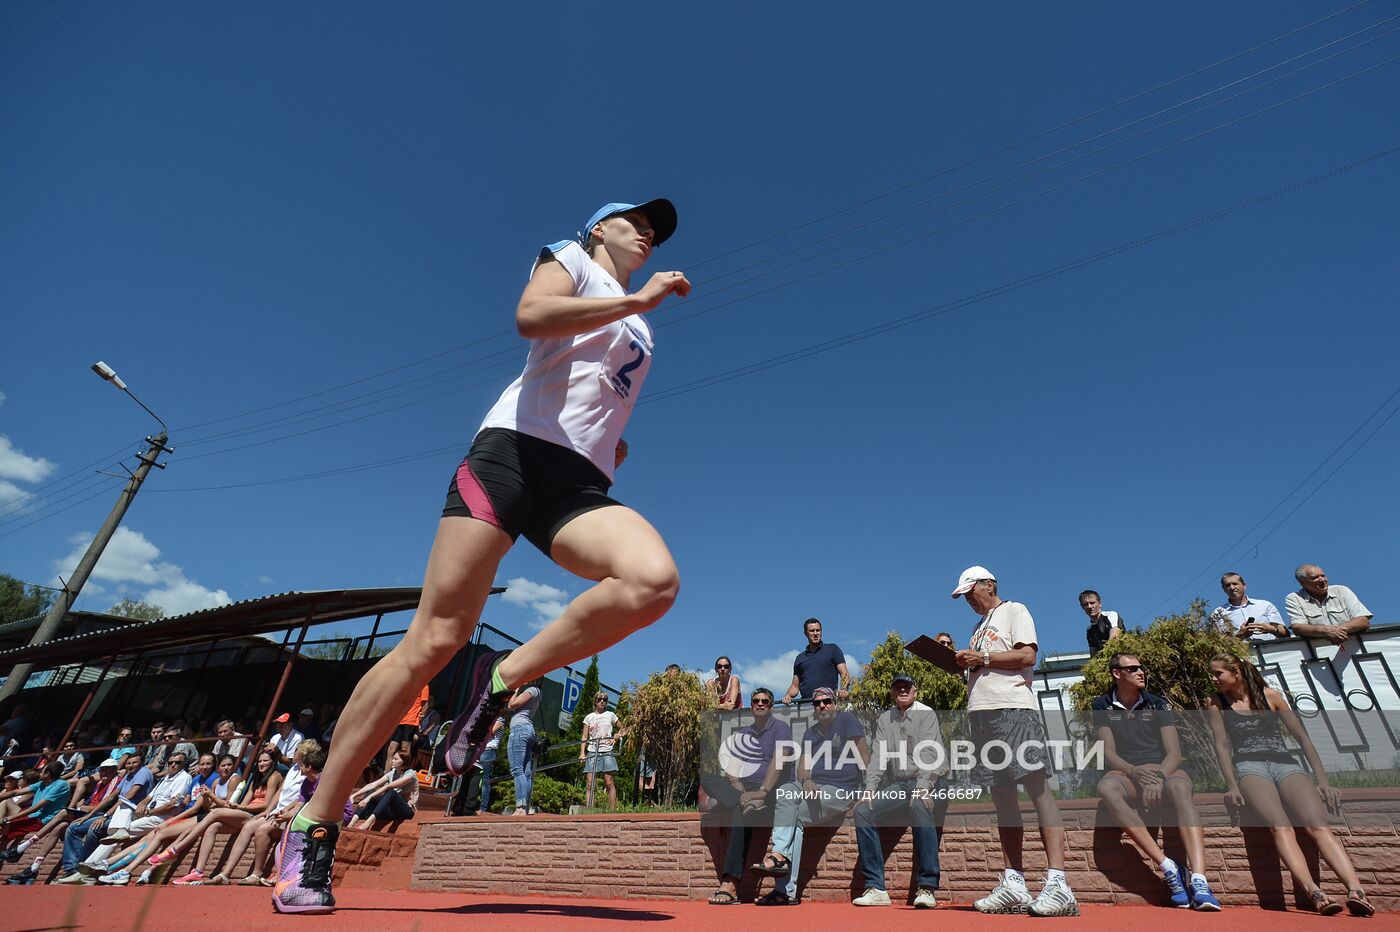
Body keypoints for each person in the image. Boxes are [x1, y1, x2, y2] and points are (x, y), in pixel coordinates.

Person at [275, 198, 687, 915]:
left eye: (656, 228)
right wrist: (635, 295)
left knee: (652, 581)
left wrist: (605, 443)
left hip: (577, 483)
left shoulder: (642, 325)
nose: (649, 231)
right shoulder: (576, 259)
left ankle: (502, 679)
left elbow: (594, 388)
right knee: (435, 638)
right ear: (599, 227)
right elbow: (533, 318)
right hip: (510, 459)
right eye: (637, 219)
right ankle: (313, 826)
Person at [952, 566, 1077, 916]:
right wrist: (967, 661)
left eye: (970, 593)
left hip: (1013, 711)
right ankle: (1014, 883)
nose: (968, 601)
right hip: (982, 715)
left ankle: (1058, 883)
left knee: (1037, 789)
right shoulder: (978, 627)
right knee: (1003, 797)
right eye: (963, 597)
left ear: (989, 585)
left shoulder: (1014, 610)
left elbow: (1026, 656)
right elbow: (984, 663)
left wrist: (983, 657)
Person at [1206, 652, 1372, 916]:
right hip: (1249, 766)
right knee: (1279, 826)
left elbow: (1302, 738)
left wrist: (1323, 781)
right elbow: (1221, 746)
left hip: (1285, 763)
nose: (1213, 678)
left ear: (1235, 672)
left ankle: (1356, 890)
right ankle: (1314, 893)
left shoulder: (1269, 696)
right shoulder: (1216, 703)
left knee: (1317, 825)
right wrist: (1232, 785)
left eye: (1217, 673)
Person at [1091, 653, 1220, 910]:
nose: (1141, 672)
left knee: (1181, 789)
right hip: (1128, 772)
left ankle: (1199, 879)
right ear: (1117, 674)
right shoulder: (1101, 704)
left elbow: (1174, 752)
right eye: (1134, 668)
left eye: (1142, 667)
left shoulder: (1157, 704)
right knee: (1106, 788)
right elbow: (1108, 752)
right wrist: (1134, 771)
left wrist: (1159, 777)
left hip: (1164, 769)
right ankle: (1168, 867)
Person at [754, 686, 867, 906]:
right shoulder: (810, 733)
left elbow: (865, 757)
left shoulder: (846, 721)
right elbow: (802, 769)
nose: (822, 706)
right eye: (817, 703)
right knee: (786, 790)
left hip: (841, 789)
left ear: (835, 703)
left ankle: (783, 888)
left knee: (796, 816)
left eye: (827, 701)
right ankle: (780, 859)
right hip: (813, 786)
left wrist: (869, 790)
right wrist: (806, 780)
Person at [851, 674, 943, 909]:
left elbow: (931, 756)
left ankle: (927, 887)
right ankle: (876, 887)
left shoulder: (927, 713)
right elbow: (879, 757)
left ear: (915, 690)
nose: (902, 690)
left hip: (930, 780)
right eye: (897, 687)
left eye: (907, 686)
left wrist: (923, 789)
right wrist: (869, 789)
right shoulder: (885, 719)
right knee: (863, 810)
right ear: (892, 693)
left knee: (920, 806)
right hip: (901, 786)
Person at [700, 687, 791, 906]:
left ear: (771, 706)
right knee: (708, 778)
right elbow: (732, 771)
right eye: (756, 701)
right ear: (751, 706)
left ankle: (730, 884)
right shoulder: (743, 734)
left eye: (766, 701)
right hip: (745, 791)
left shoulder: (781, 729)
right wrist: (742, 795)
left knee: (740, 810)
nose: (760, 704)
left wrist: (761, 793)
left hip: (771, 791)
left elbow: (778, 764)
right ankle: (734, 801)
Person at [60, 751, 191, 882]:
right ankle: (90, 868)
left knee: (116, 832)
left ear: (183, 764)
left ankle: (87, 870)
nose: (173, 765)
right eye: (170, 762)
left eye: (177, 762)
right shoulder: (165, 778)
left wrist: (151, 811)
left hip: (161, 818)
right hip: (146, 814)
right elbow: (149, 797)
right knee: (120, 819)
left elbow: (173, 804)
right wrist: (142, 804)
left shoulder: (183, 777)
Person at [170, 750, 283, 885]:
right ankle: (201, 872)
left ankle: (178, 848)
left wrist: (240, 808)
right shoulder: (257, 778)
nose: (262, 764)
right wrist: (236, 806)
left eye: (265, 761)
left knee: (215, 813)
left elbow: (265, 805)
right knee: (213, 827)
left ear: (272, 762)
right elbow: (245, 802)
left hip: (255, 814)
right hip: (246, 813)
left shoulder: (274, 777)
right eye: (259, 761)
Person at [4, 757, 122, 885]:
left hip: (96, 816)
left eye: (107, 771)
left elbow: (104, 805)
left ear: (114, 771)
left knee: (64, 814)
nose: (102, 773)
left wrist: (8, 818)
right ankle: (34, 869)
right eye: (101, 770)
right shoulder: (99, 784)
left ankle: (22, 847)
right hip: (70, 817)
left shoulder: (115, 782)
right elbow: (17, 793)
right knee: (61, 826)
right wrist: (82, 806)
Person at [55, 753, 153, 880]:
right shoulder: (128, 776)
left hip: (129, 815)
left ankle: (83, 867)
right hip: (116, 814)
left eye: (134, 763)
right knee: (74, 827)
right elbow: (111, 797)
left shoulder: (143, 772)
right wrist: (89, 815)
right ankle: (71, 869)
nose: (131, 765)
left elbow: (128, 797)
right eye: (128, 763)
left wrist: (105, 815)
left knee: (94, 829)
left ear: (141, 763)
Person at [1285, 565, 1372, 645]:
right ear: (1302, 583)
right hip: (1321, 654)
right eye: (1314, 577)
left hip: (1355, 648)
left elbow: (1363, 620)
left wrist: (1336, 631)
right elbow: (1298, 627)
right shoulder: (1294, 598)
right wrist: (1325, 631)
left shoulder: (1341, 591)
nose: (1322, 580)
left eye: (1323, 575)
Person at [0, 762, 71, 849]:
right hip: (31, 815)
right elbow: (16, 792)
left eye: (42, 771)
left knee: (5, 831)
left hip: (40, 820)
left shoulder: (61, 785)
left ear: (47, 774)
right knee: (5, 802)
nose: (40, 773)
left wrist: (7, 819)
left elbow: (35, 808)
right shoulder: (42, 783)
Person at [780, 618, 850, 704]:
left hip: (827, 704)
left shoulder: (832, 649)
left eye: (818, 630)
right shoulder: (800, 658)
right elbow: (795, 686)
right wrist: (788, 696)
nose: (815, 633)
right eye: (812, 631)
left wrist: (844, 689)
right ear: (806, 633)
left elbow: (844, 674)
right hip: (806, 706)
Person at [347, 752, 419, 830]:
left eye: (396, 759)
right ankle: (351, 823)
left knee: (391, 792)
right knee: (371, 792)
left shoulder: (410, 774)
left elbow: (389, 786)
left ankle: (368, 823)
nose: (392, 761)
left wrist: (369, 798)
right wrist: (354, 795)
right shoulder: (392, 773)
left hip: (406, 810)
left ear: (403, 761)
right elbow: (373, 785)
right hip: (391, 810)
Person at [1209, 572, 1287, 643]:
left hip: (1272, 652)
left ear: (1244, 585)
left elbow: (1285, 634)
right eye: (1227, 585)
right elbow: (1218, 643)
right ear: (1224, 589)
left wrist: (1272, 629)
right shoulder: (1218, 613)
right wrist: (1240, 635)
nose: (1232, 587)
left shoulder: (1265, 605)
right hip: (1242, 655)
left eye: (1235, 584)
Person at [580, 693, 625, 810]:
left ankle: (612, 812)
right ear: (595, 701)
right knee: (590, 783)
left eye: (604, 700)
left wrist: (616, 737)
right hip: (592, 750)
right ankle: (589, 811)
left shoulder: (610, 715)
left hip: (607, 751)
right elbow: (584, 736)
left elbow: (624, 728)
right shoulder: (589, 717)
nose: (602, 702)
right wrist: (582, 753)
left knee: (609, 781)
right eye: (599, 699)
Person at [506, 680, 543, 816]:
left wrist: (517, 689)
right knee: (525, 772)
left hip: (519, 730)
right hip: (527, 731)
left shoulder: (532, 690)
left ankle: (520, 807)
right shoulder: (538, 692)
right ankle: (524, 806)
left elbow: (512, 704)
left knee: (517, 770)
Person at [386, 687, 428, 770]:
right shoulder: (412, 685)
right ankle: (386, 776)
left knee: (405, 750)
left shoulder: (424, 686)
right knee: (391, 748)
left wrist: (420, 720)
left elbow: (425, 705)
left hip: (411, 721)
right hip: (401, 720)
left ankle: (401, 775)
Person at [1081, 589, 1122, 657]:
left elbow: (1114, 639)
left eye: (1092, 603)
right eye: (1085, 604)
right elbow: (1093, 654)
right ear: (1082, 607)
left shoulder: (1111, 615)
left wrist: (1105, 657)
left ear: (1100, 604)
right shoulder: (1090, 630)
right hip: (1104, 663)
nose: (1089, 606)